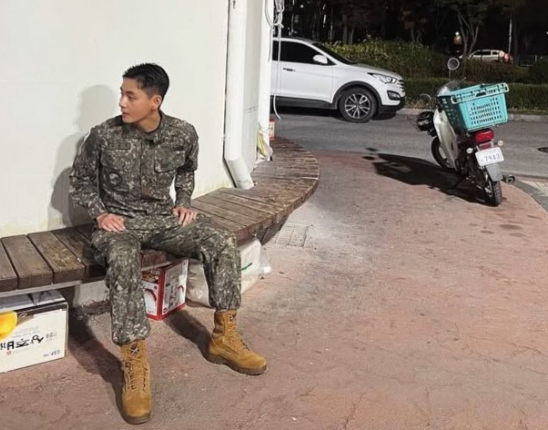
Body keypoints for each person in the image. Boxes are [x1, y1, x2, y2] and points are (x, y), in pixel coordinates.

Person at [69, 63, 266, 425]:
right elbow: (79, 182)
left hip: (162, 220)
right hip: (119, 225)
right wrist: (99, 213)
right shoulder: (103, 135)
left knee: (219, 240)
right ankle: (134, 363)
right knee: (123, 257)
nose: (122, 102)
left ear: (154, 101)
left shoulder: (182, 133)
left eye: (131, 95)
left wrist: (185, 201)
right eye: (122, 94)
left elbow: (187, 170)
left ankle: (224, 337)